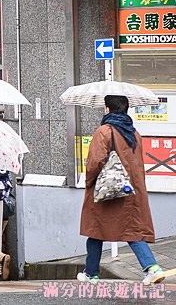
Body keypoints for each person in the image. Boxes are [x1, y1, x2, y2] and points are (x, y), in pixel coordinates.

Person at [78, 95, 167, 285]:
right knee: (131, 230)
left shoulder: (104, 131)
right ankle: (152, 268)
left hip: (106, 192)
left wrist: (89, 182)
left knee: (96, 229)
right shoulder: (133, 133)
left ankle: (91, 273)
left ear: (108, 109)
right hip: (129, 191)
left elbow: (95, 162)